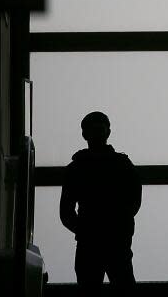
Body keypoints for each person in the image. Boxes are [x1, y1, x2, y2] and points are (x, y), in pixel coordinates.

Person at [60, 111, 142, 296]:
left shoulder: (76, 168)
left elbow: (66, 212)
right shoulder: (123, 165)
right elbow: (134, 199)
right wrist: (120, 223)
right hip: (115, 239)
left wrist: (85, 230)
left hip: (90, 242)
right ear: (109, 132)